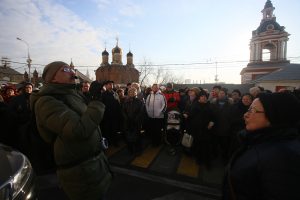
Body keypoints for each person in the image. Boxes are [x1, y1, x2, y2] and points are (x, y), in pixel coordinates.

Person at [30, 61, 112, 200]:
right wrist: (96, 101)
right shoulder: (46, 102)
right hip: (80, 171)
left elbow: (89, 118)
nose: (73, 72)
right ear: (52, 78)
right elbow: (78, 130)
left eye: (71, 68)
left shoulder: (73, 94)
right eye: (65, 69)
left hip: (95, 164)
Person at [223, 92, 300, 200]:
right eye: (248, 109)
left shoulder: (283, 157)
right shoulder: (258, 141)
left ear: (273, 116)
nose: (245, 114)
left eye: (252, 110)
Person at [122, 87, 144, 155]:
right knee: (128, 137)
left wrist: (136, 119)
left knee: (137, 137)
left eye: (134, 91)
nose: (132, 93)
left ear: (136, 93)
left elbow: (141, 111)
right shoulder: (126, 101)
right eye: (130, 91)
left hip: (136, 122)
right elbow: (123, 111)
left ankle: (138, 150)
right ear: (128, 93)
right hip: (128, 122)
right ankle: (130, 150)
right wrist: (126, 118)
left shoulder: (139, 101)